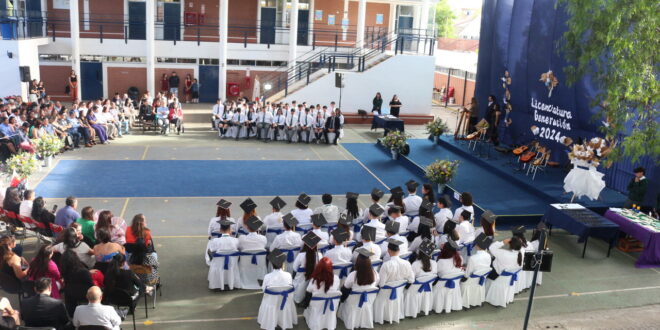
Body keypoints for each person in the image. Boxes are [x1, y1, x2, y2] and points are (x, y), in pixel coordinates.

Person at [258, 249, 295, 330]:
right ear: (283, 264)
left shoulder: (267, 276)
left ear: (271, 264)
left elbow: (264, 290)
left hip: (271, 302)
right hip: (285, 301)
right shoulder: (288, 275)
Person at [206, 218, 240, 289]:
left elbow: (210, 251)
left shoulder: (215, 241)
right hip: (232, 264)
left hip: (218, 264)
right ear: (230, 230)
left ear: (220, 230)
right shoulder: (236, 241)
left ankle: (217, 284)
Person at [60, 250, 95, 317]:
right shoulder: (83, 271)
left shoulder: (65, 270)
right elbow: (91, 284)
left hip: (70, 293)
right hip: (85, 293)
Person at [293, 232, 322, 303]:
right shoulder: (319, 255)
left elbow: (294, 268)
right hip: (314, 279)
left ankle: (298, 299)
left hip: (302, 278)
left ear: (305, 244)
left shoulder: (301, 255)